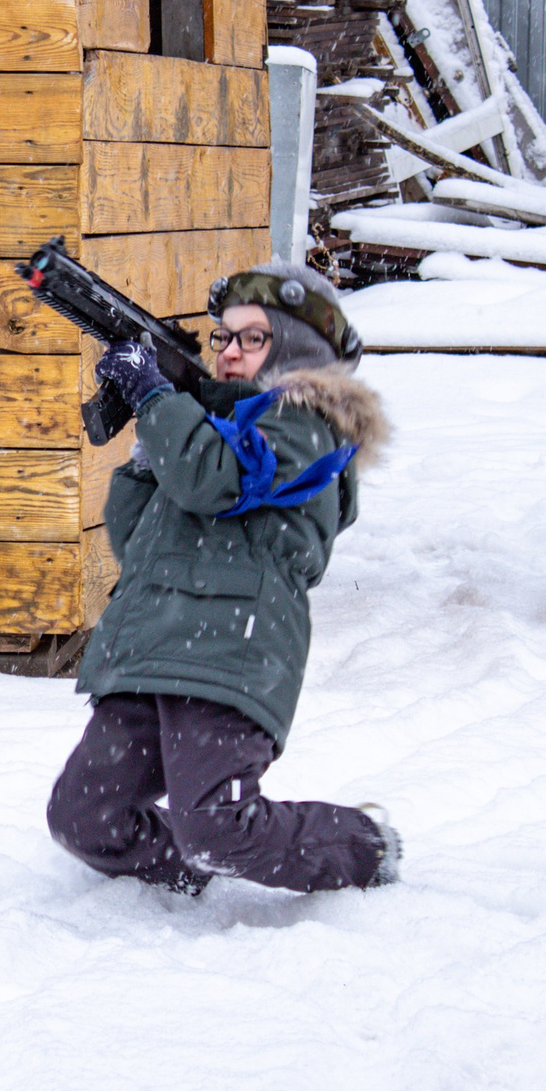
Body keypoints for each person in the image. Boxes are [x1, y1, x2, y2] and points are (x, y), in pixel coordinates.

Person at [47, 261, 400, 896]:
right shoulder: (214, 430)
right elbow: (134, 542)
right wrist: (149, 448)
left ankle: (363, 848)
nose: (229, 352)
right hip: (153, 646)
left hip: (231, 648)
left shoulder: (308, 424)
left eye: (252, 338)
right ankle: (186, 873)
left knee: (216, 825)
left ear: (295, 350)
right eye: (223, 337)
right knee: (84, 818)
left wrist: (158, 400)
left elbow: (215, 482)